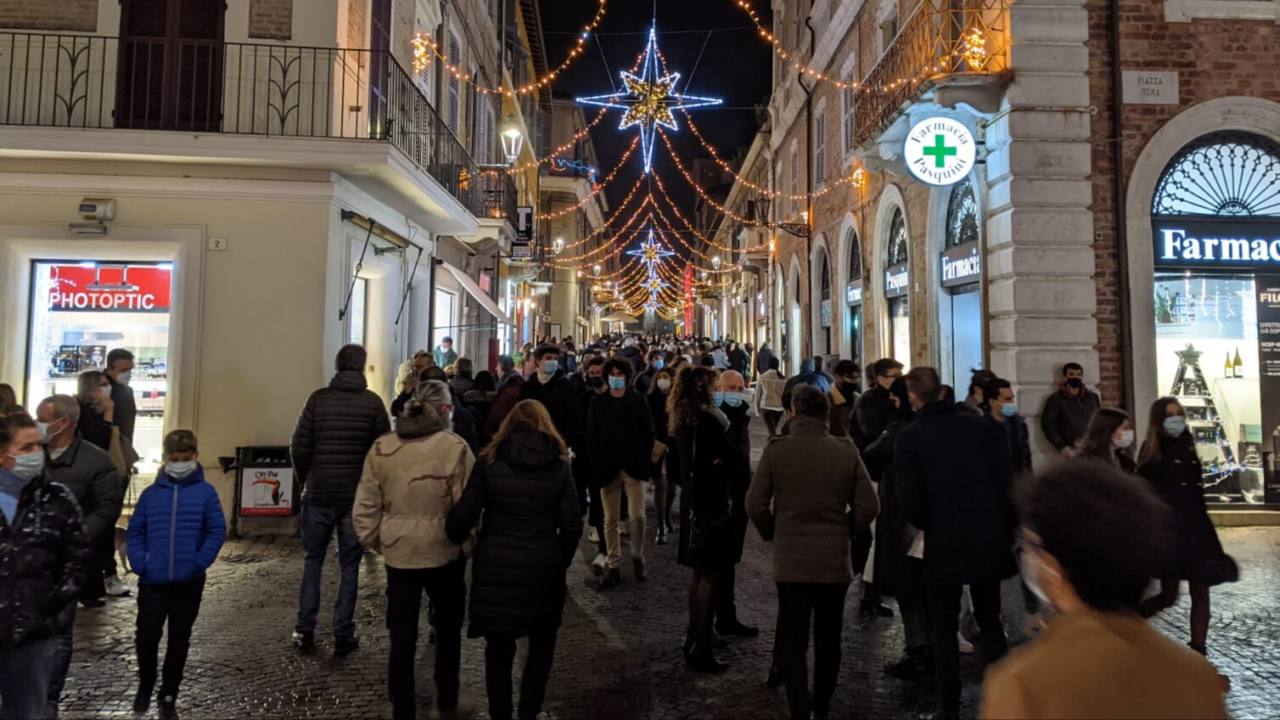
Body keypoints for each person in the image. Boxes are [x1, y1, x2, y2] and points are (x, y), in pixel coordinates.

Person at [980, 460, 1229, 720]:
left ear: (1053, 568)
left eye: (1031, 545)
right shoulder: (1195, 677)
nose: (1027, 556)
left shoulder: (1022, 684)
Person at [747, 386, 879, 720]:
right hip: (833, 560)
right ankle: (822, 704)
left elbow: (755, 504)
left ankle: (798, 707)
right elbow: (869, 506)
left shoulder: (777, 451)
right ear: (824, 415)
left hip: (791, 560)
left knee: (793, 637)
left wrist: (771, 530)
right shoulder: (845, 452)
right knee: (828, 637)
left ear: (792, 412)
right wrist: (846, 528)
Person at [446, 401, 581, 720]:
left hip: (495, 567)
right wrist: (558, 557)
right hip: (543, 566)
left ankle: (501, 715)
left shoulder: (490, 461)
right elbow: (573, 524)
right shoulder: (559, 466)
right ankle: (529, 712)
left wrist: (459, 536)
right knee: (540, 649)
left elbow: (463, 516)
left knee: (499, 652)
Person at [894, 367, 1016, 720]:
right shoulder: (985, 429)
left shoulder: (912, 437)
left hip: (943, 539)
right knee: (990, 619)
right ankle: (1003, 697)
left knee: (943, 627)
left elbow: (910, 501)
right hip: (988, 536)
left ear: (914, 395)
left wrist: (931, 523)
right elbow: (1008, 483)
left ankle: (949, 706)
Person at [353, 380, 474, 720]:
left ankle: (402, 706)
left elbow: (365, 505)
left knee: (402, 634)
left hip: (399, 554)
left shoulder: (383, 447)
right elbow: (467, 505)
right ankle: (446, 699)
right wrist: (465, 543)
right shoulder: (454, 447)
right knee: (448, 630)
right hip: (444, 552)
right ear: (446, 410)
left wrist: (381, 540)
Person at [289, 344, 390, 657]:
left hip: (318, 493)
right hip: (354, 496)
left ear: (337, 365)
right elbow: (381, 452)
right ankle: (343, 631)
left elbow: (299, 446)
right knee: (349, 565)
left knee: (313, 560)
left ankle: (305, 629)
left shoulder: (318, 400)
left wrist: (307, 479)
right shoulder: (372, 404)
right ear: (362, 367)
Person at [126, 429, 225, 718]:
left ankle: (169, 693)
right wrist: (139, 562)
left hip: (188, 581)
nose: (180, 462)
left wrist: (200, 561)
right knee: (146, 636)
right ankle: (146, 683)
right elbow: (136, 531)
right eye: (174, 458)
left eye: (185, 458)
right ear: (166, 458)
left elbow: (216, 530)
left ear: (195, 457)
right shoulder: (151, 494)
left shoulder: (206, 493)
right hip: (153, 581)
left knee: (179, 640)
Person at [0, 413, 88, 720]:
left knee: (28, 712)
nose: (36, 453)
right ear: (3, 454)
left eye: (39, 445)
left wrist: (49, 605)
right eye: (26, 448)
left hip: (34, 635)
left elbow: (77, 558)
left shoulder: (56, 498)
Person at [1136, 397, 1238, 658]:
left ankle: (1199, 649)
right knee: (1168, 594)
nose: (1175, 419)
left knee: (1200, 589)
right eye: (1170, 414)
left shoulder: (1188, 443)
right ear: (1159, 419)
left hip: (1195, 526)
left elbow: (1196, 488)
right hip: (1170, 529)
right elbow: (1145, 491)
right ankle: (1127, 624)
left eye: (1179, 413)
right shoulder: (1152, 450)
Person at [38, 395, 121, 714]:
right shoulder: (31, 452)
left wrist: (73, 539)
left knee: (59, 631)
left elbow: (106, 508)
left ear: (64, 422)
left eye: (42, 418)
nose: (38, 424)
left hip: (64, 560)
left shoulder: (95, 461)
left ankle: (48, 699)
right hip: (26, 557)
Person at [670, 366, 735, 672]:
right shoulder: (708, 421)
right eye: (712, 385)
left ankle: (694, 636)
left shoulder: (682, 419)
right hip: (710, 501)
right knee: (709, 574)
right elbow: (731, 457)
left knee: (698, 576)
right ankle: (702, 645)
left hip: (692, 499)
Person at [862, 378, 927, 679]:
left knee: (908, 581)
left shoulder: (900, 430)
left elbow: (871, 453)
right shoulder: (939, 429)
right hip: (937, 518)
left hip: (907, 515)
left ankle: (918, 649)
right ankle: (935, 646)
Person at [586, 358, 655, 589]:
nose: (616, 377)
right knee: (610, 519)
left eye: (620, 373)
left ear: (627, 376)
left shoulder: (638, 401)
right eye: (612, 373)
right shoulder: (598, 403)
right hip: (607, 467)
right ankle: (613, 564)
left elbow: (648, 434)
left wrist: (642, 459)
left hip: (633, 466)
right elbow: (592, 436)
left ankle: (637, 554)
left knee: (637, 515)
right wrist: (597, 462)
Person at [714, 370, 758, 637]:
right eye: (730, 388)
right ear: (718, 388)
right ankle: (714, 622)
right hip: (722, 498)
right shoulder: (714, 418)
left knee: (730, 560)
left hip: (739, 494)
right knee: (719, 563)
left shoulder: (742, 415)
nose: (736, 393)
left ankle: (726, 615)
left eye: (740, 388)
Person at [519, 345, 578, 442]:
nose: (553, 361)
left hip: (558, 440)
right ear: (538, 361)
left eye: (555, 359)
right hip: (532, 440)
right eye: (548, 358)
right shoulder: (527, 387)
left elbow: (573, 419)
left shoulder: (566, 387)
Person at [1040, 362, 1101, 454]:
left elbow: (1099, 420)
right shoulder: (1056, 400)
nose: (1075, 377)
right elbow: (1048, 425)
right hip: (1071, 450)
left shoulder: (1092, 398)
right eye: (1071, 374)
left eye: (1078, 375)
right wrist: (1062, 446)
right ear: (1065, 377)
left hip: (1093, 448)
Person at [648, 367, 678, 544]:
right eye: (660, 377)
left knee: (671, 483)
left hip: (674, 445)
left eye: (666, 377)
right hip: (658, 445)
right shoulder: (651, 399)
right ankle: (661, 523)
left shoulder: (677, 400)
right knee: (661, 482)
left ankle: (666, 517)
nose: (663, 380)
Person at [984, 378, 1033, 477]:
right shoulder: (981, 427)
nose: (1012, 402)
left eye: (1012, 398)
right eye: (1007, 399)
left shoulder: (1019, 424)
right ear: (992, 402)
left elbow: (1026, 457)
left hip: (1017, 482)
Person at [853, 358, 903, 449]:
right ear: (880, 378)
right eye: (895, 376)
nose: (900, 379)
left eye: (901, 375)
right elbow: (873, 432)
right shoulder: (868, 401)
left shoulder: (900, 396)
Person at [1076, 407, 1137, 472]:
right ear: (1109, 431)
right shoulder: (1086, 464)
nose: (1129, 432)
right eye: (1125, 428)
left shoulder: (1126, 463)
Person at [74, 370, 115, 454]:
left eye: (108, 384)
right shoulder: (82, 411)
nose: (108, 387)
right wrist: (109, 411)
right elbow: (101, 443)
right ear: (90, 387)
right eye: (103, 385)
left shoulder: (98, 408)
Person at [105, 348, 137, 444]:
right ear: (110, 369)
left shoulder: (127, 391)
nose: (128, 374)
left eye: (130, 370)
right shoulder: (98, 388)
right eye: (124, 370)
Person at [392, 352, 435, 417]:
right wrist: (407, 389)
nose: (414, 370)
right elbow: (395, 411)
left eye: (419, 366)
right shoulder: (411, 385)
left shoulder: (437, 388)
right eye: (413, 367)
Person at [828, 360, 861, 439]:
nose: (855, 381)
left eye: (857, 378)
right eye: (850, 378)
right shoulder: (827, 401)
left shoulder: (859, 399)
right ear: (838, 377)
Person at [754, 357, 786, 437]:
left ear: (768, 365)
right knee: (773, 428)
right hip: (779, 407)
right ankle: (773, 443)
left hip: (766, 406)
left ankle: (772, 445)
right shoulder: (783, 379)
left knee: (772, 431)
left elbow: (758, 395)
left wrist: (757, 409)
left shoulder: (763, 377)